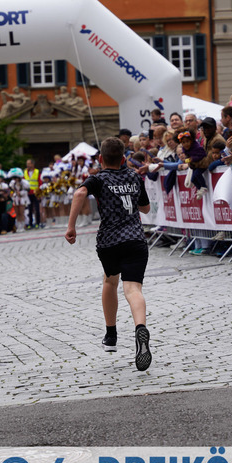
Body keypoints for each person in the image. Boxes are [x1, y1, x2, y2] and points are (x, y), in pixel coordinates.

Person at [65, 137, 153, 371]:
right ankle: (140, 328)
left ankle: (111, 335)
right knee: (133, 288)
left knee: (110, 281)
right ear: (124, 158)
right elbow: (145, 208)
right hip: (135, 239)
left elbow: (79, 194)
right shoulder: (134, 176)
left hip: (110, 242)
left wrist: (71, 226)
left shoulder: (98, 179)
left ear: (101, 159)